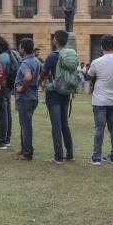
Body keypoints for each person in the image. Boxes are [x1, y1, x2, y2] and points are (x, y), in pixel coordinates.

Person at [39, 29, 77, 163]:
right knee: (65, 123)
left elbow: (44, 73)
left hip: (54, 92)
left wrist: (39, 82)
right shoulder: (71, 54)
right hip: (66, 91)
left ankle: (58, 156)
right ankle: (70, 154)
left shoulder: (52, 56)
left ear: (55, 40)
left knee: (56, 125)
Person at [87, 34, 113, 165]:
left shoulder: (97, 62)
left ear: (101, 46)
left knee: (99, 128)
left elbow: (89, 76)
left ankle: (96, 157)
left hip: (99, 100)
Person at [14, 38, 41, 161]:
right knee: (25, 124)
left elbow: (28, 77)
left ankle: (27, 153)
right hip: (33, 96)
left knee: (26, 125)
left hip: (25, 97)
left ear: (23, 49)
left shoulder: (25, 63)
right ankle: (24, 148)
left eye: (20, 47)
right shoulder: (36, 60)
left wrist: (21, 89)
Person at [0, 36, 17, 150]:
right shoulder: (9, 54)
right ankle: (7, 138)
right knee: (7, 113)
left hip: (2, 87)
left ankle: (1, 141)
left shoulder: (2, 57)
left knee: (2, 114)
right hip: (8, 88)